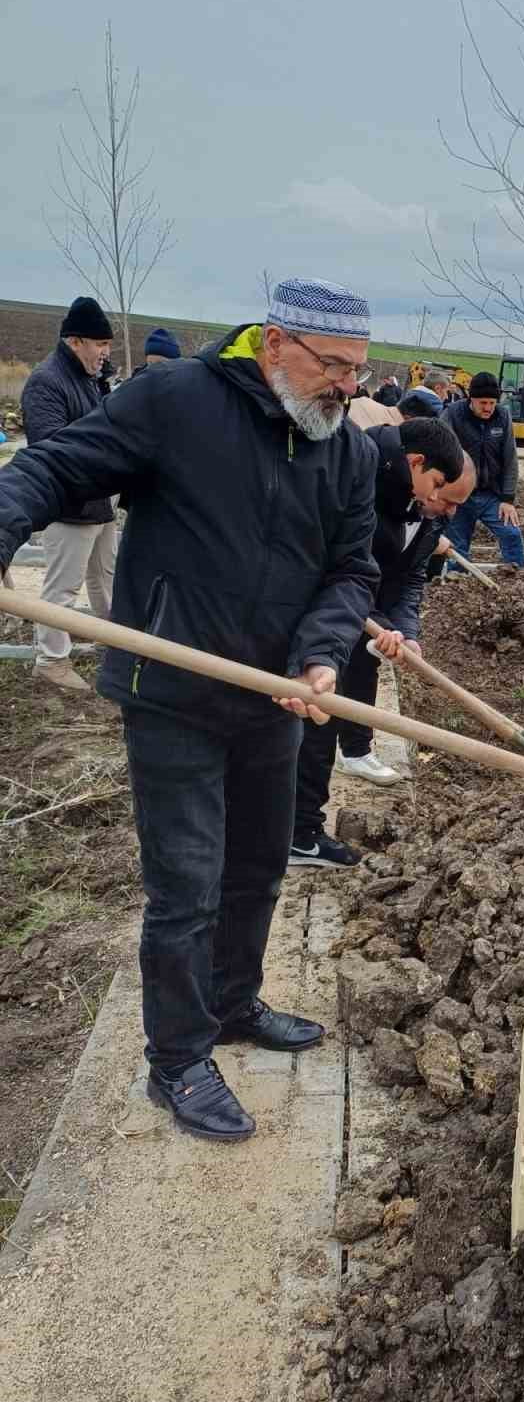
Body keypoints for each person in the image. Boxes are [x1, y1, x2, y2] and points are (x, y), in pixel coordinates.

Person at [0, 277, 380, 1142]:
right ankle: (176, 1058)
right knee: (187, 885)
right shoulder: (176, 400)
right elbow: (58, 465)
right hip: (170, 692)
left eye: (358, 370)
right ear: (274, 343)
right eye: (333, 366)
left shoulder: (347, 452)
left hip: (274, 697)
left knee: (257, 868)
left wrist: (320, 657)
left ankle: (233, 1004)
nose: (347, 387)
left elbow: (351, 572)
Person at [291, 420, 472, 864]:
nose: (445, 509)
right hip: (327, 615)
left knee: (355, 689)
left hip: (369, 618)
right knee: (318, 715)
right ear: (417, 467)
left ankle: (350, 758)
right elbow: (344, 565)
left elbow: (410, 580)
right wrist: (372, 621)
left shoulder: (424, 511)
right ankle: (300, 832)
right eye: (443, 495)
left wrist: (405, 632)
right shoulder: (369, 484)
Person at [19, 296, 117, 692]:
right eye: (99, 344)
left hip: (100, 501)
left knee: (105, 581)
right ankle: (52, 660)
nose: (105, 352)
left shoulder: (89, 378)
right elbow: (51, 447)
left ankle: (114, 644)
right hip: (69, 506)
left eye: (108, 345)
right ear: (74, 341)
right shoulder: (46, 382)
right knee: (62, 588)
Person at [442, 372, 524, 567]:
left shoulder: (502, 416)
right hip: (460, 496)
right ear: (471, 399)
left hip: (492, 495)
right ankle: (458, 585)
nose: (488, 408)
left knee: (512, 534)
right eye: (483, 403)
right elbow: (440, 452)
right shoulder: (453, 415)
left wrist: (507, 500)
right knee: (457, 547)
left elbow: (510, 459)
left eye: (492, 402)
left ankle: (518, 579)